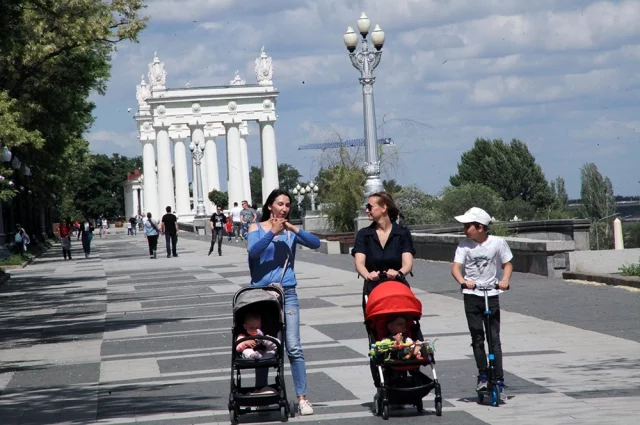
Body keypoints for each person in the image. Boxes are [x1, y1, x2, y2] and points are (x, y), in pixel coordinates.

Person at [247, 189, 321, 416]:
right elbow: (253, 252)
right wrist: (272, 233)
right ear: (270, 206)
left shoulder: (290, 233)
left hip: (287, 293)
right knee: (262, 343)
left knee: (294, 346)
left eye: (287, 205)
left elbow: (316, 243)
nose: (284, 208)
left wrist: (291, 228)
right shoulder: (255, 228)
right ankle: (261, 390)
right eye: (280, 204)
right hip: (261, 294)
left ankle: (302, 398)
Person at [450, 207, 512, 402]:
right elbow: (456, 267)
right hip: (472, 294)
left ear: (480, 227)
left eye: (468, 226)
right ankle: (483, 375)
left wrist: (504, 280)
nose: (464, 228)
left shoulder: (498, 243)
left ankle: (499, 379)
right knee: (477, 337)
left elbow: (507, 263)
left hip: (491, 293)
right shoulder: (464, 245)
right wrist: (462, 281)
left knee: (494, 338)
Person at [352, 192, 416, 312]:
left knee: (402, 324)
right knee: (376, 326)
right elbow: (359, 263)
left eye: (369, 207)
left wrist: (399, 273)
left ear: (384, 208)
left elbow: (408, 264)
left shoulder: (402, 233)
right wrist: (368, 275)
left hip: (397, 287)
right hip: (373, 289)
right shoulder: (364, 234)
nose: (366, 211)